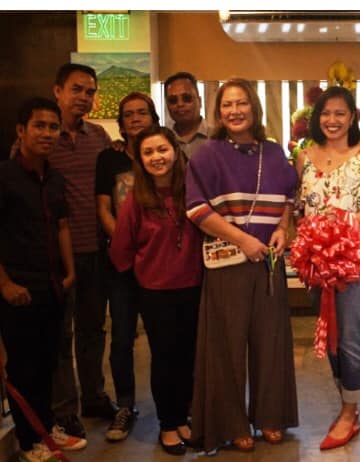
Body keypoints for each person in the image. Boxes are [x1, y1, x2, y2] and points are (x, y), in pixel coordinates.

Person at [186, 78, 299, 454]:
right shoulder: (207, 154)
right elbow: (196, 209)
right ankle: (231, 423)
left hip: (268, 261)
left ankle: (270, 415)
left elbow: (289, 197)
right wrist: (242, 240)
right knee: (226, 347)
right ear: (218, 113)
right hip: (228, 262)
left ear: (254, 107)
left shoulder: (273, 151)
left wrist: (282, 228)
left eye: (242, 103)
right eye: (227, 105)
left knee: (271, 341)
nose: (235, 111)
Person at [296, 85, 360, 449]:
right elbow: (299, 206)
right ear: (316, 117)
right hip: (316, 261)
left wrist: (340, 224)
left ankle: (350, 413)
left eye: (340, 113)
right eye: (326, 113)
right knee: (330, 337)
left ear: (352, 117)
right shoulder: (304, 155)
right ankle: (347, 398)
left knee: (349, 336)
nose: (332, 120)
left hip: (357, 258)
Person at [0, 97, 86, 462]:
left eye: (53, 127)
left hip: (52, 286)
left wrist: (70, 272)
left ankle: (46, 429)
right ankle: (29, 441)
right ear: (21, 131)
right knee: (24, 367)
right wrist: (4, 284)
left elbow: (63, 226)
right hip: (18, 288)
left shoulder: (54, 178)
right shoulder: (5, 176)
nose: (47, 133)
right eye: (39, 126)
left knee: (48, 362)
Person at [109, 126, 202, 455]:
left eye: (162, 149)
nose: (156, 157)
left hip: (193, 286)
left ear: (175, 152)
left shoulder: (192, 191)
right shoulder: (136, 199)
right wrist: (140, 276)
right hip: (155, 291)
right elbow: (120, 249)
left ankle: (183, 418)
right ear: (140, 159)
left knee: (188, 356)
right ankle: (168, 424)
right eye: (148, 152)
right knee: (165, 358)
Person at [49, 63, 116, 439]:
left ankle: (93, 396)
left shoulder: (99, 137)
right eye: (77, 89)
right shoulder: (43, 136)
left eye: (90, 92)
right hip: (57, 256)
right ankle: (64, 409)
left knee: (93, 329)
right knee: (61, 335)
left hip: (96, 250)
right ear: (57, 91)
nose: (84, 98)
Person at [95, 92, 160, 442]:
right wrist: (125, 248)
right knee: (121, 338)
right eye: (128, 114)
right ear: (120, 123)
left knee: (163, 337)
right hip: (121, 264)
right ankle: (124, 406)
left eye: (142, 112)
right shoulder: (109, 158)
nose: (135, 118)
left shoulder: (162, 152)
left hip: (158, 262)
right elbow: (104, 209)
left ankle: (173, 407)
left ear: (153, 117)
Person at [164, 71, 209, 159]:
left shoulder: (219, 137)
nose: (180, 104)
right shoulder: (162, 140)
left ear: (200, 102)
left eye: (187, 98)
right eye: (173, 100)